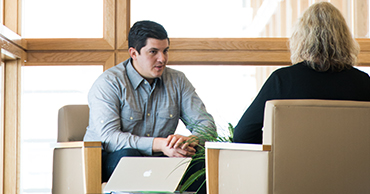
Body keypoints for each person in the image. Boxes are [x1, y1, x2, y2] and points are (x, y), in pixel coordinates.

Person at [83, 20, 216, 193]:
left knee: (201, 162)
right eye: (153, 52)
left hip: (162, 159)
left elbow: (207, 125)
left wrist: (189, 141)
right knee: (130, 157)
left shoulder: (178, 80)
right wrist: (159, 144)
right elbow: (109, 138)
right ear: (134, 53)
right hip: (113, 158)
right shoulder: (109, 83)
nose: (162, 59)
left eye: (165, 51)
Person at [233, 2, 370, 144]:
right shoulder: (363, 83)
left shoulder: (283, 81)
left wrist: (279, 145)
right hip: (353, 166)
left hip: (291, 165)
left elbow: (243, 135)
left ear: (302, 38)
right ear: (344, 38)